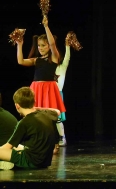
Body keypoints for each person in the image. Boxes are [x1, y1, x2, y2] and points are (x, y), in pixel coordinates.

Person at [16, 16, 66, 153]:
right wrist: (19, 45)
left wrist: (46, 26)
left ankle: (55, 142)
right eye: (39, 45)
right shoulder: (36, 60)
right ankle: (36, 141)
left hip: (49, 88)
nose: (41, 47)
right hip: (36, 88)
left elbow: (53, 44)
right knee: (35, 116)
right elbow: (20, 61)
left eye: (43, 45)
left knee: (50, 117)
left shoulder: (54, 57)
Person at [0, 87, 60, 170]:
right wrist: (35, 108)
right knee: (18, 147)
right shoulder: (47, 114)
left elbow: (7, 147)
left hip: (32, 162)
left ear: (17, 106)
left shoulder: (24, 122)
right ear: (34, 102)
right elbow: (57, 111)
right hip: (45, 161)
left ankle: (5, 163)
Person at [55, 35, 71, 147]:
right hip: (48, 93)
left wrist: (67, 46)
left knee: (58, 117)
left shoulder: (63, 66)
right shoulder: (48, 66)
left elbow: (67, 57)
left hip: (58, 94)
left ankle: (62, 137)